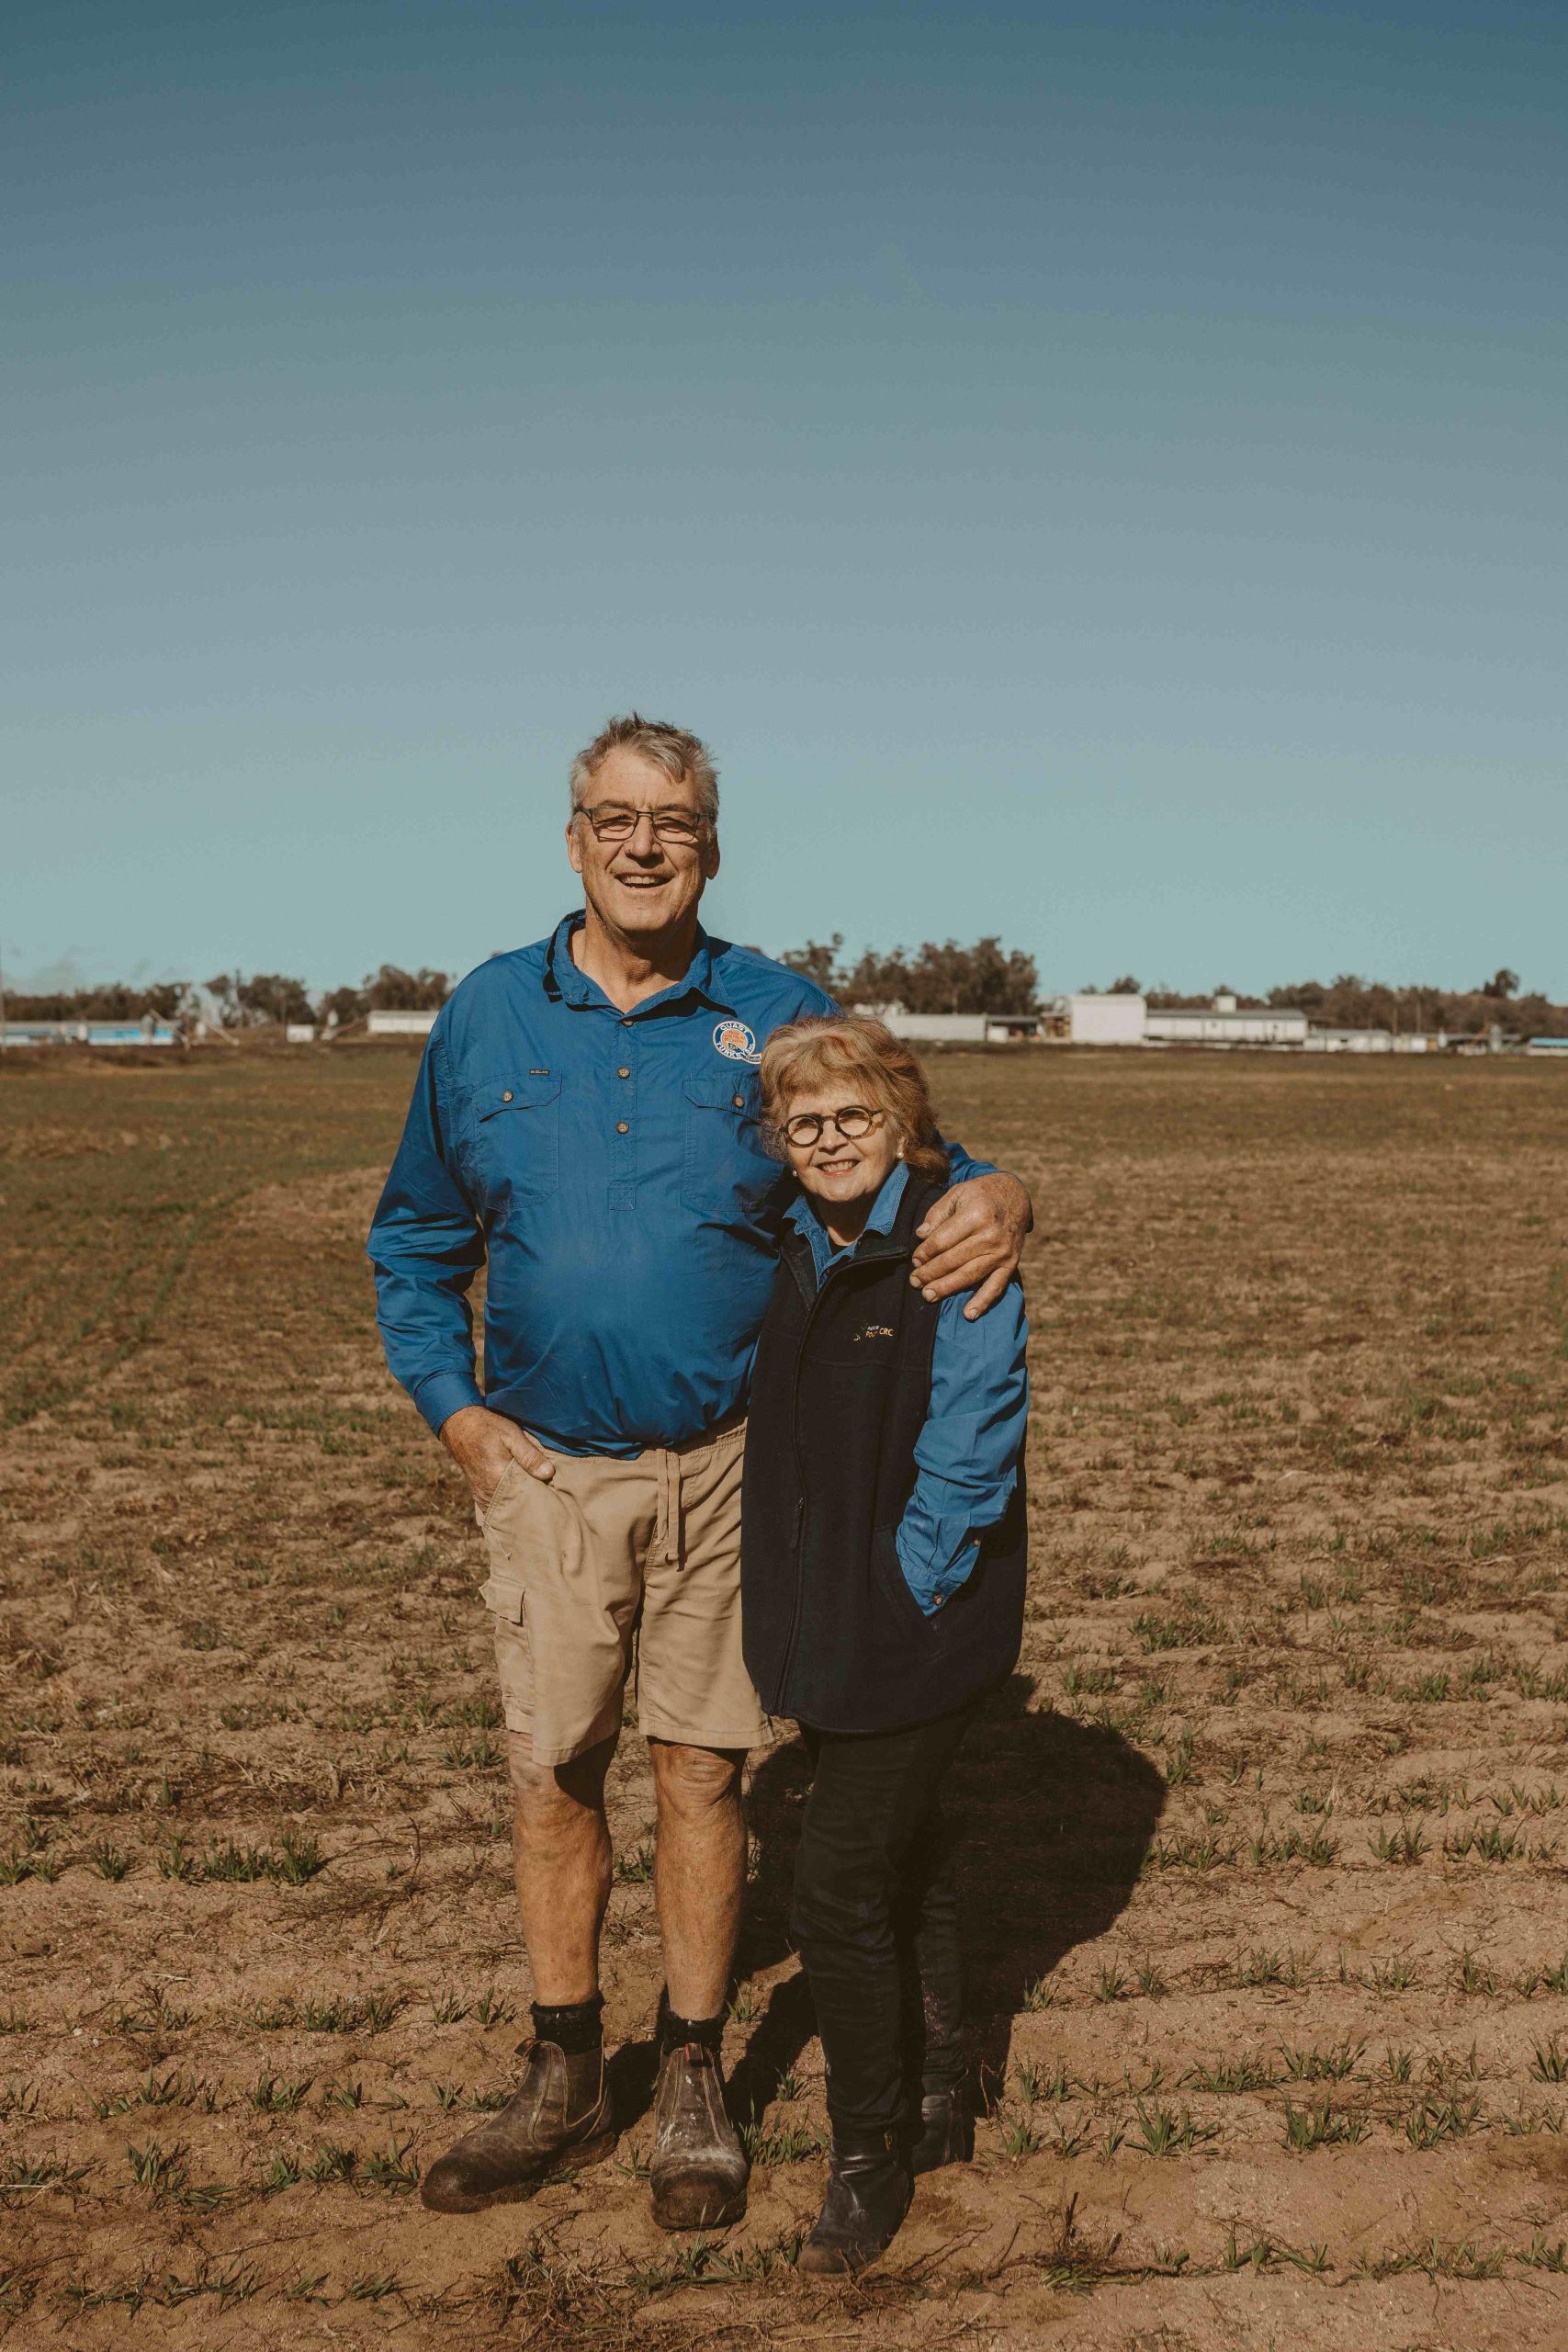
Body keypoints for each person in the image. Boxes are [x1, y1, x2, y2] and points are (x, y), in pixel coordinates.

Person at [367, 714, 1032, 2230]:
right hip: (546, 1468)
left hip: (735, 1464)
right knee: (554, 1772)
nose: (643, 844)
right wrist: (458, 1417)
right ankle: (558, 2070)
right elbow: (414, 1241)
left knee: (700, 1771)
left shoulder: (773, 1008)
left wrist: (1011, 1194)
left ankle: (688, 2081)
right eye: (614, 818)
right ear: (573, 837)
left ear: (711, 842)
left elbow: (922, 1152)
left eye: (672, 820)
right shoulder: (485, 1017)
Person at [741, 1014, 1028, 2274]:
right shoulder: (800, 1241)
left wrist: (911, 1587)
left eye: (854, 1116)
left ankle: (866, 2162)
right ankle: (936, 2099)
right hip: (833, 1607)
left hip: (914, 1620)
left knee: (836, 1887)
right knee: (904, 1858)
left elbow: (974, 1439)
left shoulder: (950, 1242)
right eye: (804, 1124)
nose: (829, 1141)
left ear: (903, 1123)